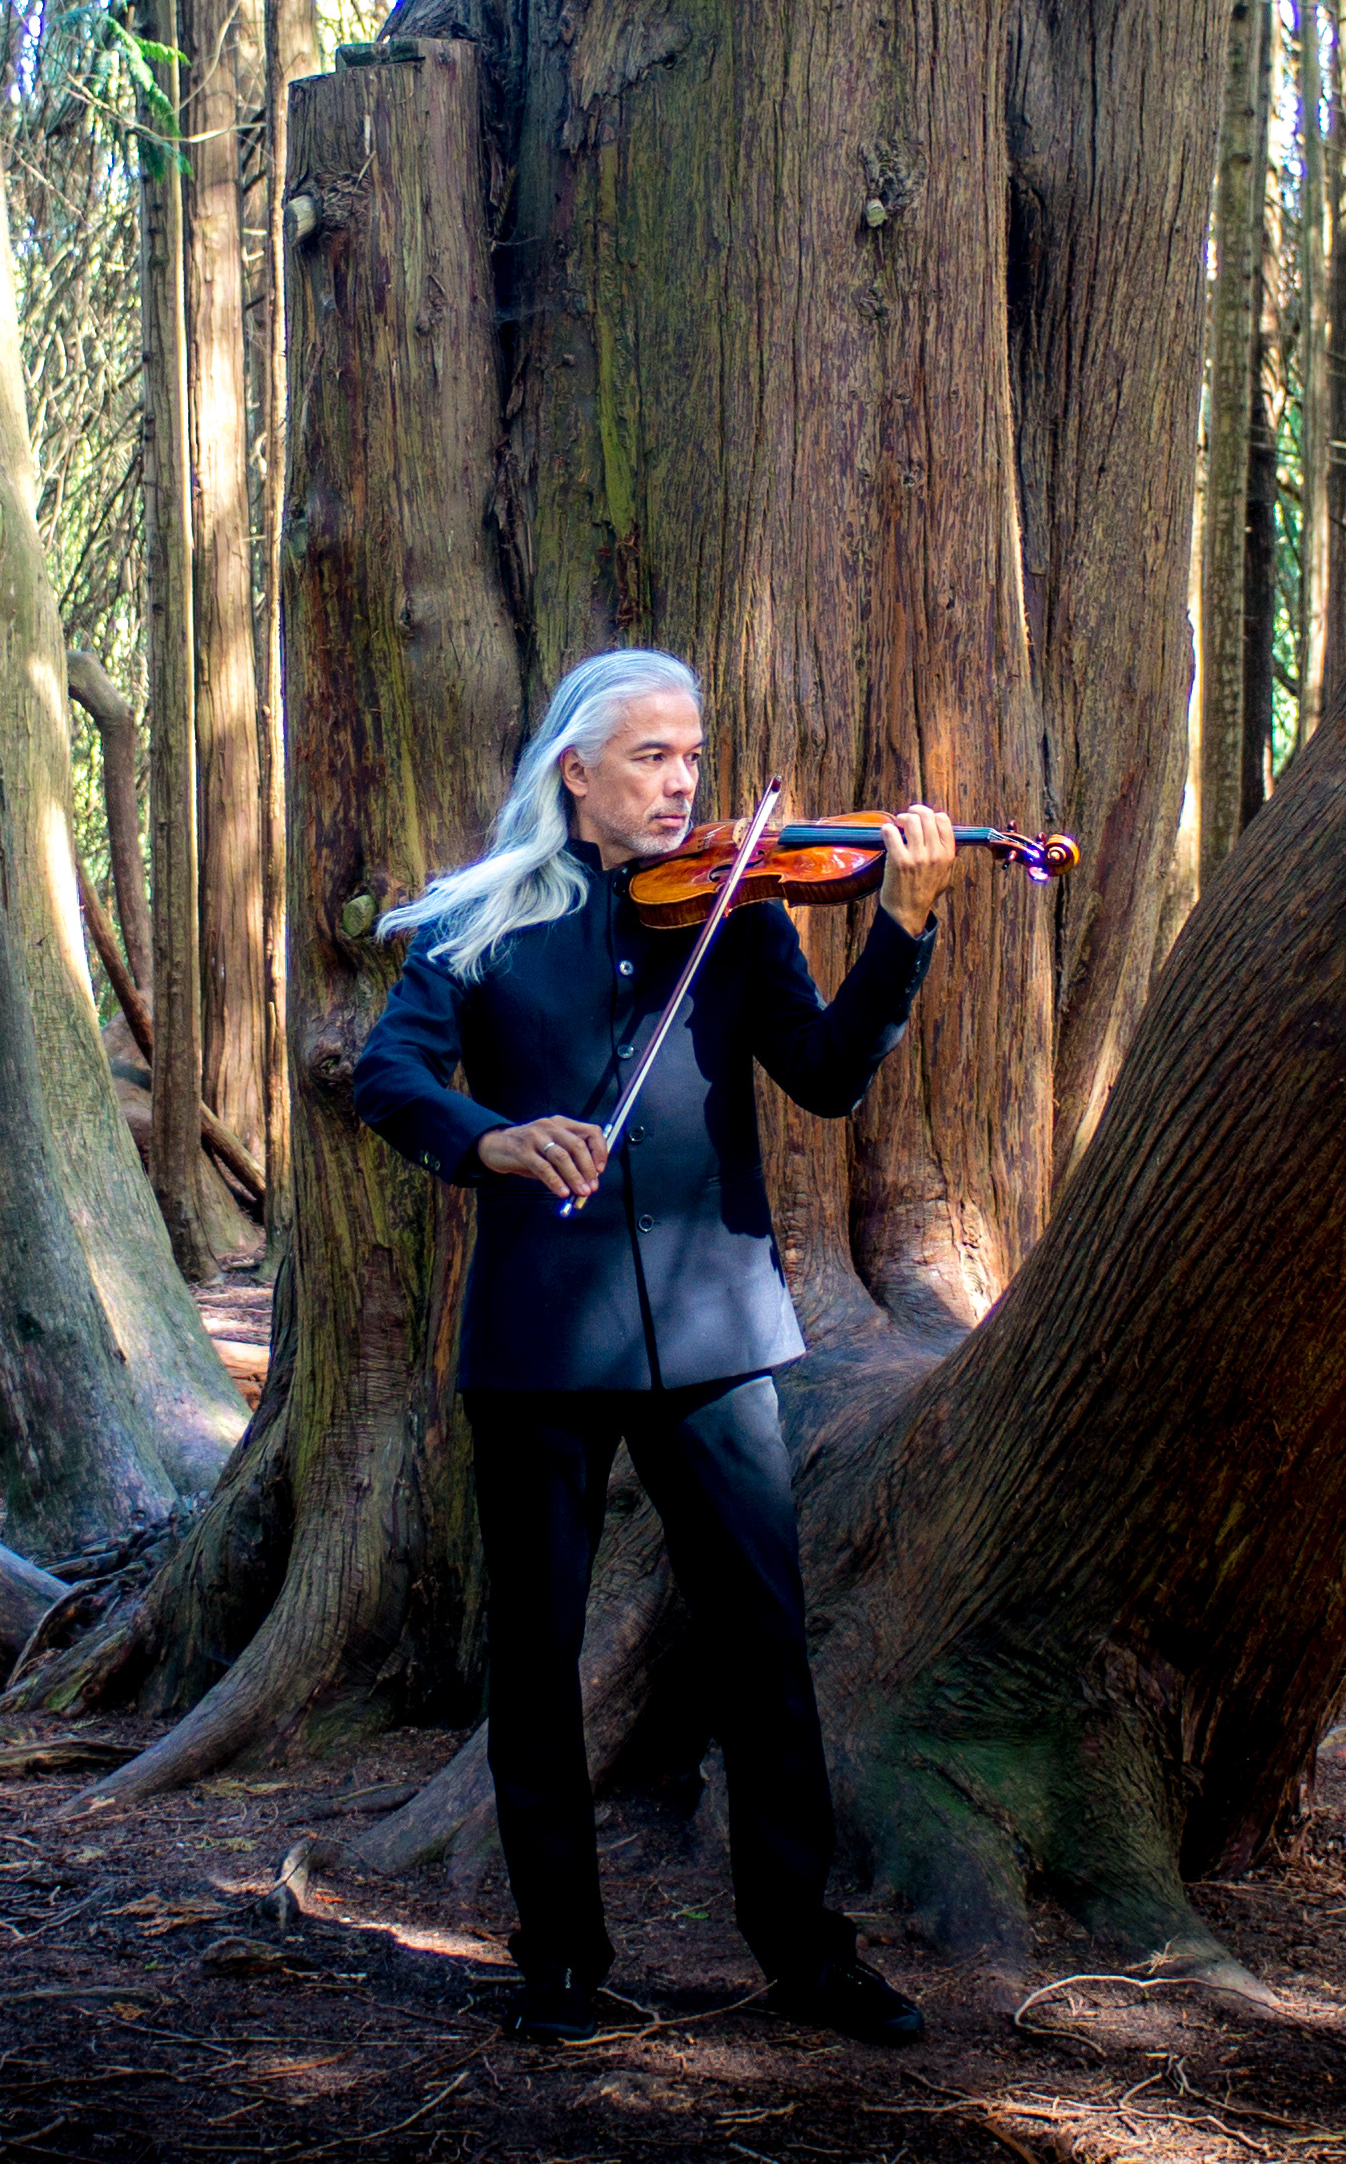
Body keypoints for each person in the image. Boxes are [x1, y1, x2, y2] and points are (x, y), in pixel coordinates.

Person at [351, 649, 953, 2050]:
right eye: (652, 757)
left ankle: (803, 1952)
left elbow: (825, 1077)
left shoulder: (739, 908)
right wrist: (491, 1139)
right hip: (538, 1343)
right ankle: (559, 1957)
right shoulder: (478, 918)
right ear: (576, 771)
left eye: (692, 755)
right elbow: (388, 1074)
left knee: (764, 1650)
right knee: (536, 1661)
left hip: (713, 1338)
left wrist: (901, 933)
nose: (683, 782)